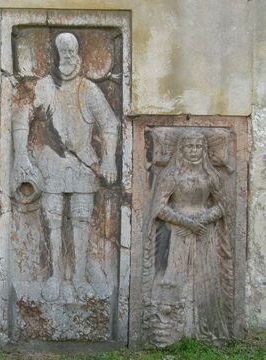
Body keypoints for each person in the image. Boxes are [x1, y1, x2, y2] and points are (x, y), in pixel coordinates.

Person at [13, 32, 120, 301]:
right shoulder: (44, 86)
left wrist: (108, 160)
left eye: (72, 52)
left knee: (82, 221)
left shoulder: (89, 89)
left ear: (79, 56)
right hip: (51, 162)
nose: (68, 57)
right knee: (53, 221)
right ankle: (56, 277)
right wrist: (21, 158)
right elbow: (21, 117)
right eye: (64, 52)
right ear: (57, 55)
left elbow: (109, 123)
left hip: (84, 163)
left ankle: (81, 278)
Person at [142, 130, 233, 346]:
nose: (194, 151)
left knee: (205, 279)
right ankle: (173, 331)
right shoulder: (171, 176)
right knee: (174, 279)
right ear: (181, 149)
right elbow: (159, 208)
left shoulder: (211, 176)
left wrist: (204, 217)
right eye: (189, 146)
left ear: (204, 150)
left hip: (204, 234)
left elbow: (223, 206)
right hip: (177, 233)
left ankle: (206, 330)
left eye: (198, 147)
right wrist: (186, 222)